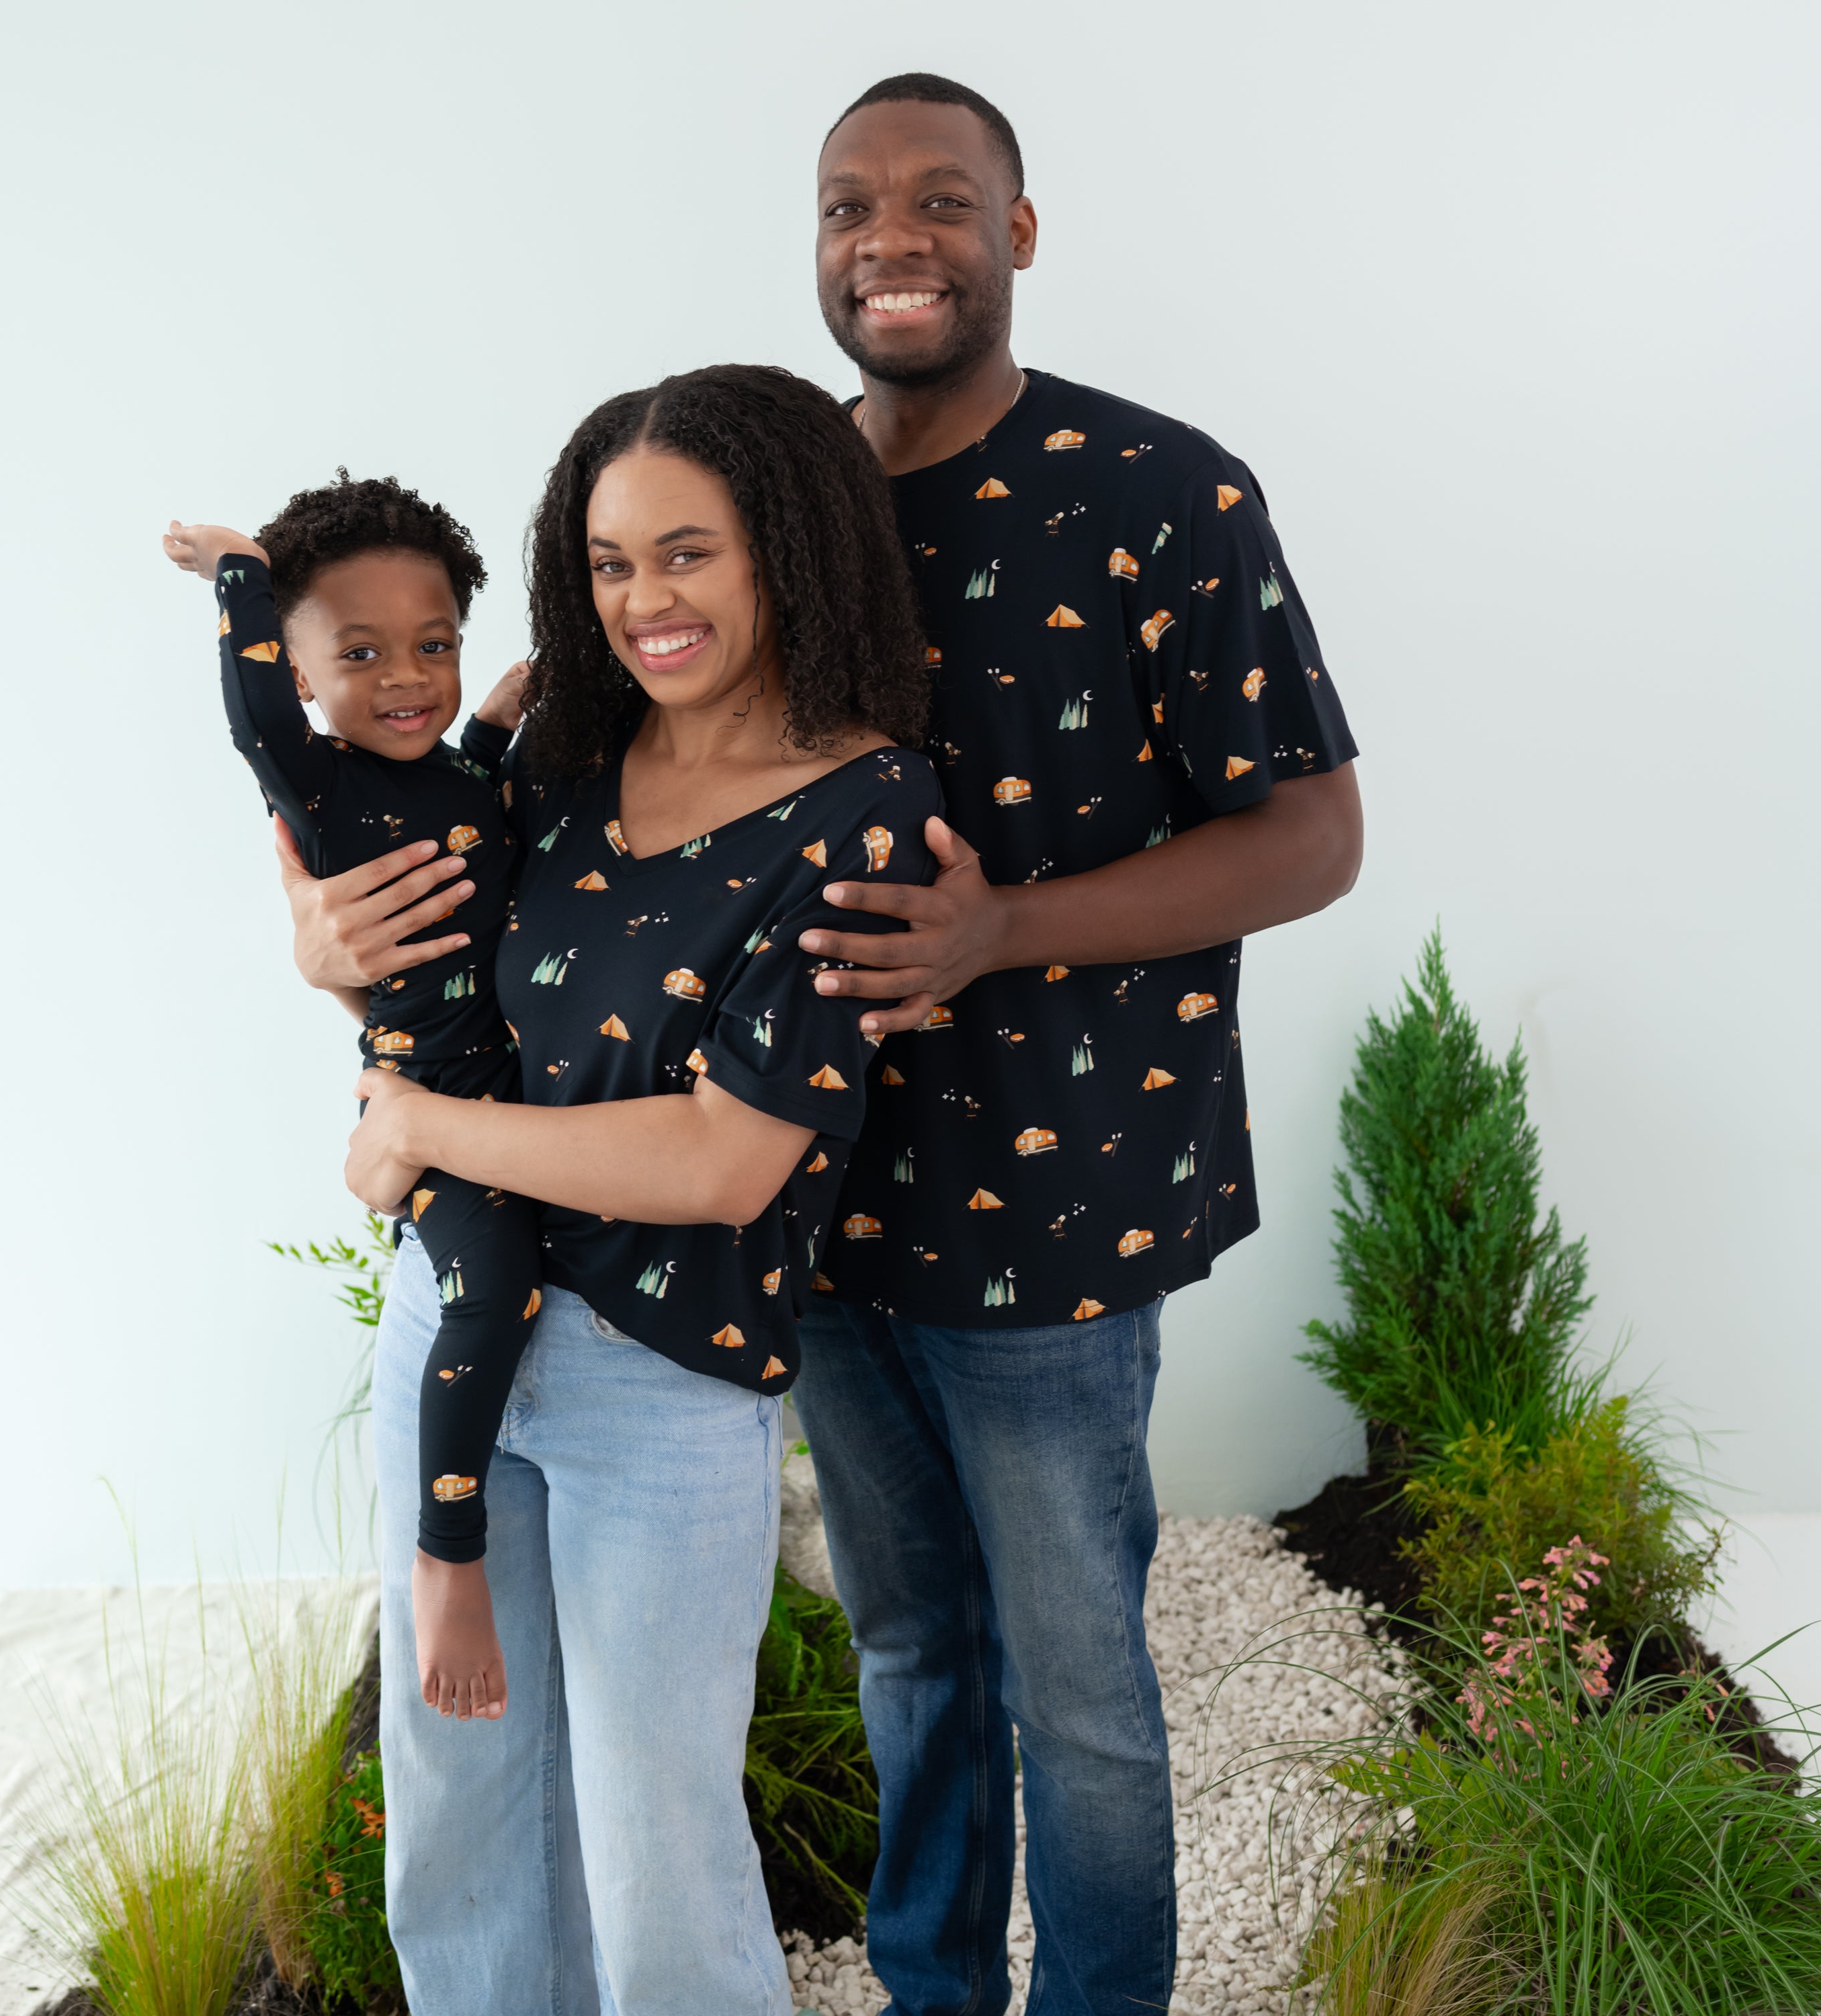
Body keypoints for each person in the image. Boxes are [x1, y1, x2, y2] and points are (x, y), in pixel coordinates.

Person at [779, 75, 1365, 2016]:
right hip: (816, 1195)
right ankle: (932, 1991)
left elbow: (1311, 832)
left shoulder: (1161, 494)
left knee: (1080, 1689)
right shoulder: (778, 513)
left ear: (1018, 236)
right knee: (911, 1656)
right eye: (853, 204)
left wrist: (1001, 931)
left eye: (944, 200)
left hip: (1061, 1208)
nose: (895, 238)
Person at [298, 364, 943, 2014]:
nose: (643, 600)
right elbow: (345, 813)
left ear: (784, 551)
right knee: (453, 1806)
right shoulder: (550, 746)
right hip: (452, 1336)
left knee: (658, 1845)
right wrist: (313, 939)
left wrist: (421, 1126)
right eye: (607, 562)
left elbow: (725, 1161)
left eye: (688, 553)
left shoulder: (863, 811)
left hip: (661, 1389)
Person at [164, 478, 540, 1724]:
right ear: (307, 667)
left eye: (433, 645)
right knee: (491, 1288)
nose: (406, 677)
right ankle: (448, 1552)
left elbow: (465, 790)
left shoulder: (457, 772)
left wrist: (503, 708)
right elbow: (254, 708)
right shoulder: (315, 781)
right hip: (429, 1098)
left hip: (524, 1090)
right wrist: (241, 577)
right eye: (362, 652)